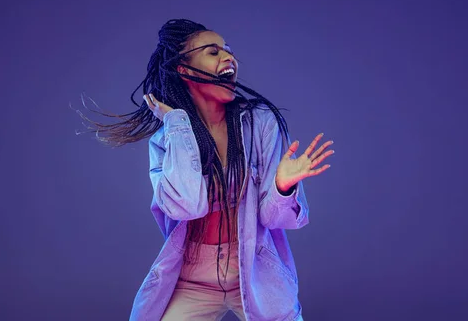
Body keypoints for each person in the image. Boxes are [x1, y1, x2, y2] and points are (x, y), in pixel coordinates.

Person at [75, 19, 334, 320]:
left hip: (253, 273)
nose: (229, 58)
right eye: (213, 52)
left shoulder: (261, 124)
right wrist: (177, 125)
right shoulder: (165, 141)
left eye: (228, 51)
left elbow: (276, 218)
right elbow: (187, 206)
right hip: (192, 279)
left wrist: (283, 186)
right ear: (184, 70)